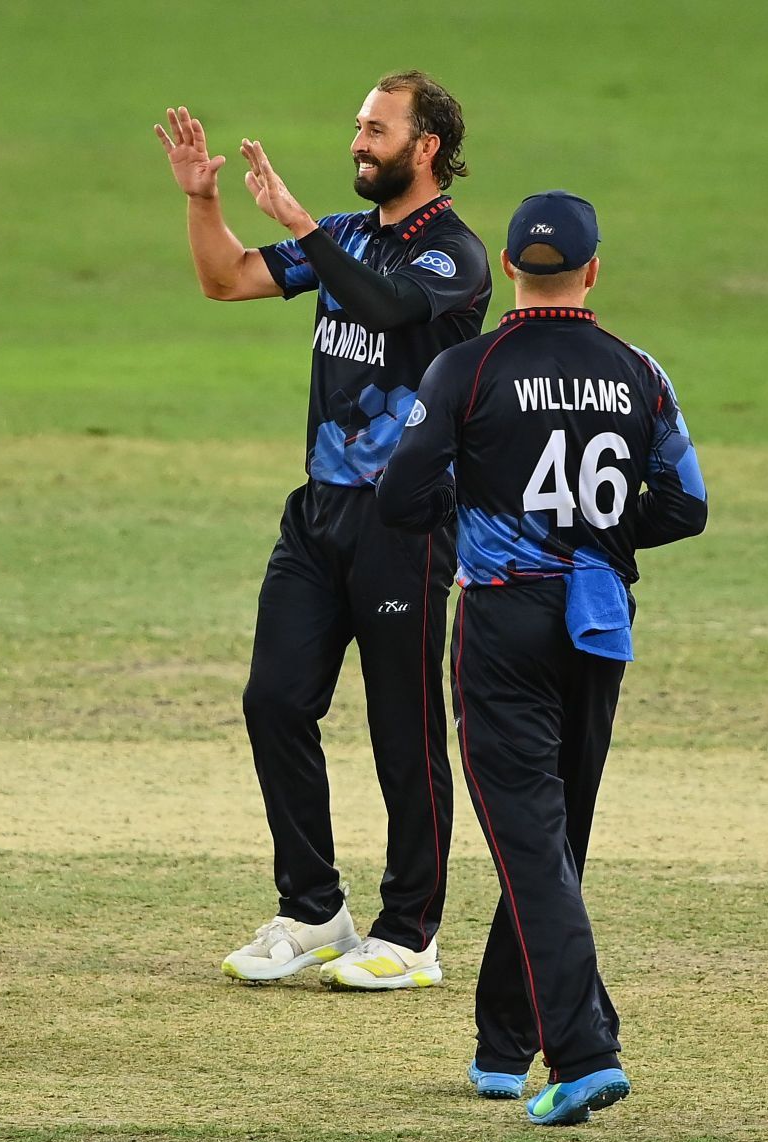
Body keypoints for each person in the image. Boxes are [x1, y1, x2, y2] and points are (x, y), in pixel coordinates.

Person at [155, 72, 491, 990]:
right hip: (317, 515)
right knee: (273, 701)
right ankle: (314, 910)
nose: (359, 142)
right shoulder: (344, 237)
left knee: (401, 728)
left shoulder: (453, 255)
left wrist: (303, 227)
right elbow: (225, 281)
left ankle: (412, 932)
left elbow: (386, 309)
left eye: (377, 130)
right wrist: (205, 200)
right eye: (357, 127)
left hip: (406, 522)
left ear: (424, 148)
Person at [378, 190, 707, 1122]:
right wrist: (602, 537)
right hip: (598, 624)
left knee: (527, 838)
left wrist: (482, 515)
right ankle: (501, 1042)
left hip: (503, 622)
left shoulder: (466, 368)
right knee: (554, 837)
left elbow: (401, 499)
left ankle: (583, 1052)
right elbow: (685, 504)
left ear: (513, 268)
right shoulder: (639, 371)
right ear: (594, 271)